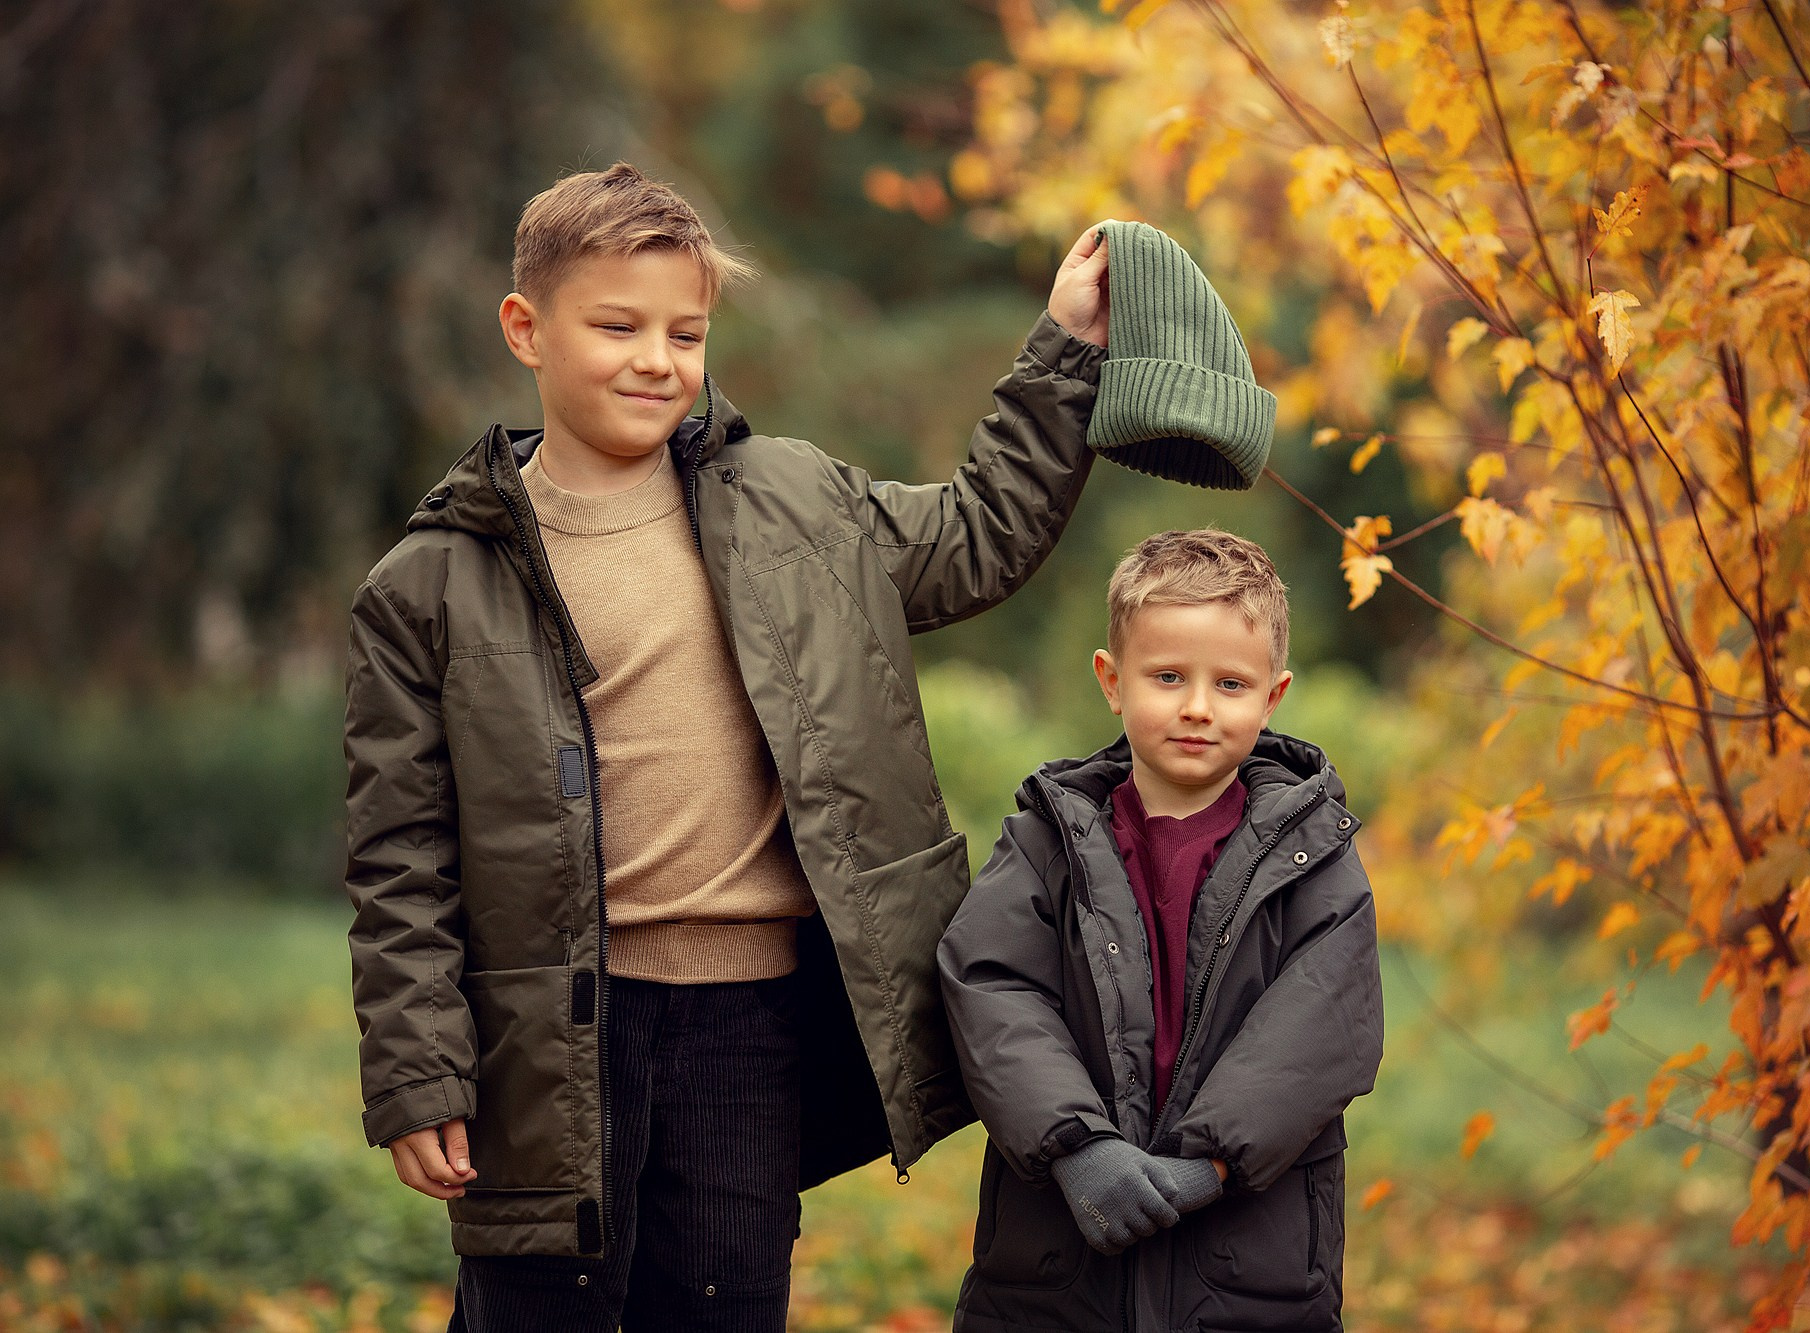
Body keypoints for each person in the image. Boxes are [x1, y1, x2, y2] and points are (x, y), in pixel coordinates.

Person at [342, 161, 1112, 1332]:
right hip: (545, 1041)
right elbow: (400, 860)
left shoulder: (795, 501)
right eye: (618, 326)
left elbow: (975, 537)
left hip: (745, 1029)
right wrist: (418, 1073)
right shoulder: (431, 583)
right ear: (525, 329)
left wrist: (1064, 347)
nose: (657, 358)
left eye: (685, 332)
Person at [939, 528, 1385, 1333]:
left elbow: (1322, 1026)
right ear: (1113, 681)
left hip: (1249, 1257)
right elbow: (993, 988)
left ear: (1273, 696)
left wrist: (1209, 1163)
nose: (1197, 707)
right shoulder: (1048, 839)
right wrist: (1076, 1144)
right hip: (1060, 1261)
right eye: (1168, 675)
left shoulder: (1315, 855)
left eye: (1231, 683)